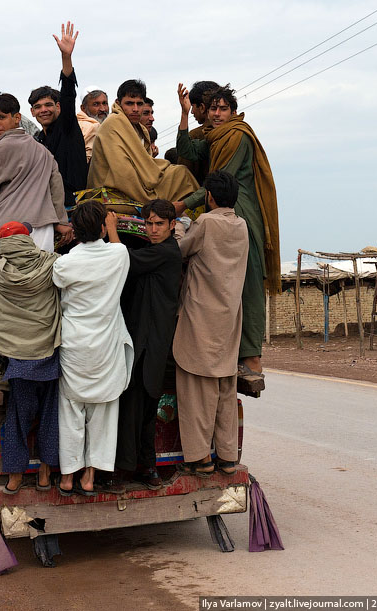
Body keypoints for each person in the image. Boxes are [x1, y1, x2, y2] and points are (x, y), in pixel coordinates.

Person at [174, 84, 279, 384]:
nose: (217, 114)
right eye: (213, 109)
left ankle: (253, 359)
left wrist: (182, 204)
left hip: (243, 215)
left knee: (248, 285)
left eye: (223, 109)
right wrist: (183, 115)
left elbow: (220, 181)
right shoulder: (212, 135)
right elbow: (186, 150)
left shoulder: (236, 136)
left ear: (233, 112)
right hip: (221, 214)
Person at [0, 92, 71, 382]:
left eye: (2, 117)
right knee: (32, 296)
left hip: (3, 231)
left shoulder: (1, 150)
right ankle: (14, 357)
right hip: (40, 232)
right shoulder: (44, 152)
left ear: (18, 118)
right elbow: (57, 192)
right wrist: (62, 224)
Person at [0, 221, 61, 493]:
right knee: (50, 417)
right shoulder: (51, 265)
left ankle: (15, 477)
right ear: (27, 241)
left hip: (20, 362)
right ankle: (45, 474)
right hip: (49, 355)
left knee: (18, 420)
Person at [53, 201, 133, 496]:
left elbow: (58, 283)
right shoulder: (119, 254)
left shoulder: (64, 264)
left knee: (71, 412)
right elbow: (117, 249)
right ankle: (89, 477)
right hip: (105, 347)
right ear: (101, 227)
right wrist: (112, 228)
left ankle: (66, 478)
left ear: (74, 231)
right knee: (103, 414)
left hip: (74, 346)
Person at [172, 171, 247, 477]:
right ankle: (228, 457)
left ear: (210, 198)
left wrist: (177, 228)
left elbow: (179, 251)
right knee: (225, 389)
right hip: (229, 318)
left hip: (200, 317)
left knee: (196, 390)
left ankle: (200, 457)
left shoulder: (205, 223)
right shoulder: (241, 225)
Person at [103, 199, 181, 491]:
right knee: (144, 408)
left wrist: (112, 230)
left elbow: (127, 262)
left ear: (172, 225)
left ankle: (120, 472)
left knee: (134, 408)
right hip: (146, 344)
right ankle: (148, 467)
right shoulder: (155, 250)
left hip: (149, 346)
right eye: (148, 223)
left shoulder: (167, 252)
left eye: (159, 224)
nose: (152, 229)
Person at [86, 79, 198, 205]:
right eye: (129, 103)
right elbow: (123, 171)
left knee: (180, 173)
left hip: (137, 184)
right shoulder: (113, 123)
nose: (135, 109)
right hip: (113, 194)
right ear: (118, 103)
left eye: (139, 104)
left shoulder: (137, 127)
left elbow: (144, 163)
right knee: (180, 175)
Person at [30, 21, 88, 206]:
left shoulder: (67, 126)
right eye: (38, 107)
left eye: (48, 105)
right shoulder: (37, 139)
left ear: (59, 107)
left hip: (72, 199)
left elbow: (68, 92)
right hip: (47, 200)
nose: (44, 110)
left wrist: (66, 57)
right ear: (32, 112)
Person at [171, 80, 219, 184]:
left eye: (192, 106)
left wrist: (184, 113)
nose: (192, 111)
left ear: (201, 107)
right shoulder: (234, 131)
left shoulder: (195, 135)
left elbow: (184, 177)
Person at [77, 87, 108, 162]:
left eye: (104, 103)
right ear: (83, 108)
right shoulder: (93, 126)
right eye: (96, 104)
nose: (102, 109)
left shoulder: (77, 123)